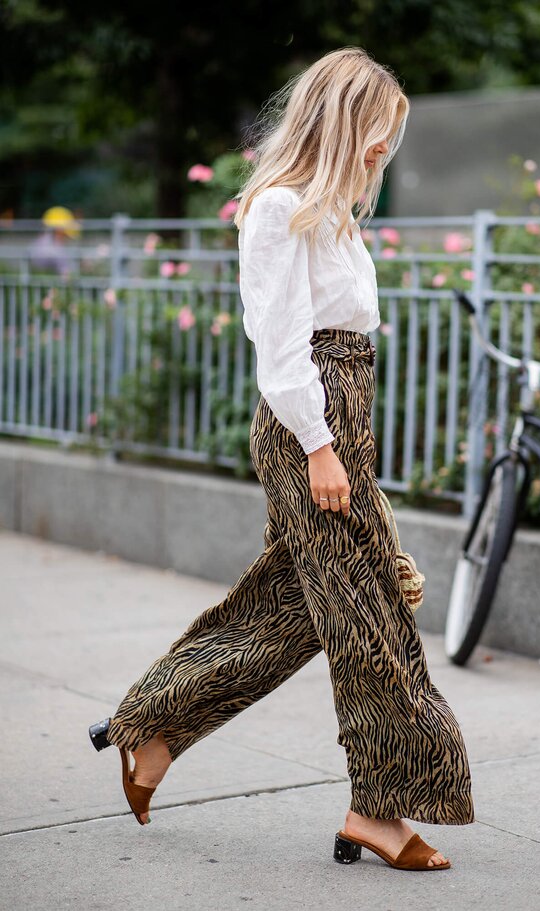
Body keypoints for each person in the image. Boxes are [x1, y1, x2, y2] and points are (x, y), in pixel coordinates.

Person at [88, 46, 474, 872]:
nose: (382, 150)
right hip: (311, 425)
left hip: (338, 420)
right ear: (340, 120)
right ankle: (378, 808)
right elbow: (281, 347)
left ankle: (153, 727)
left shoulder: (331, 212)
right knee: (368, 624)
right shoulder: (277, 208)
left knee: (294, 609)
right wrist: (323, 451)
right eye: (376, 132)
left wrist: (342, 442)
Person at [28, 206, 80, 277]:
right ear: (58, 229)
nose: (65, 236)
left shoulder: (43, 243)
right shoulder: (49, 246)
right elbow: (65, 266)